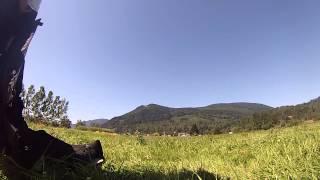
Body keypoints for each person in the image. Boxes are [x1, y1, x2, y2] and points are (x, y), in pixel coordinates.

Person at [0, 0, 105, 173]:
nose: (29, 6)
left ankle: (19, 146)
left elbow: (12, 97)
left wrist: (19, 135)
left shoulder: (18, 42)